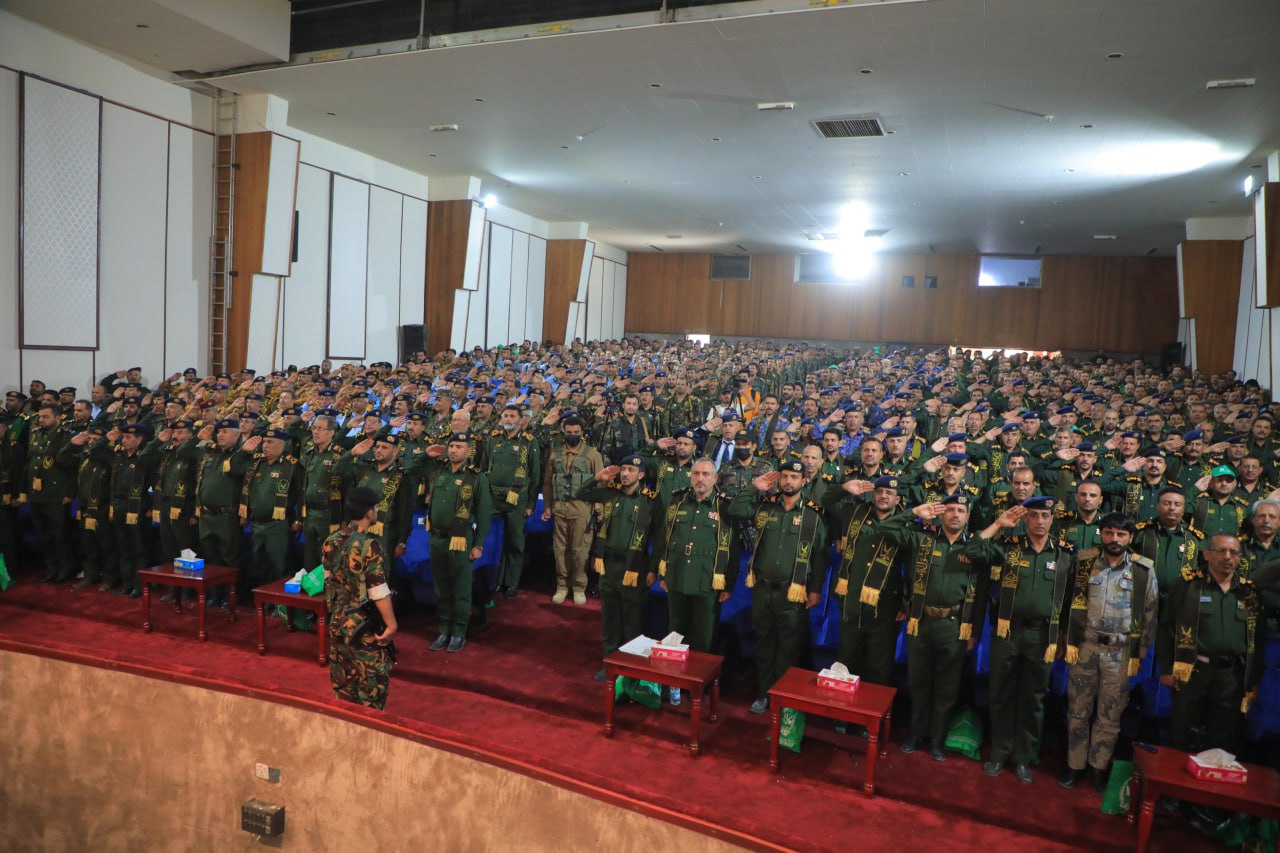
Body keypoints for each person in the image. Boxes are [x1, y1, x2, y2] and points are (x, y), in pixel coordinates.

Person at [880, 493, 989, 762]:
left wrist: (974, 632)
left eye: (960, 511)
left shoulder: (974, 547)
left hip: (954, 627)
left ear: (968, 516)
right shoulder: (923, 538)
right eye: (950, 509)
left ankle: (938, 740)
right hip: (921, 621)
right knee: (918, 683)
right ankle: (916, 734)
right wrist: (914, 513)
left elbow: (981, 594)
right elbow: (884, 528)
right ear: (941, 514)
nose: (955, 515)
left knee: (946, 688)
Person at [1059, 513, 1158, 791]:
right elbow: (1067, 604)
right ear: (1100, 534)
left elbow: (1150, 614)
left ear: (1130, 537)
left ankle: (1098, 767)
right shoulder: (1084, 563)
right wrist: (1065, 641)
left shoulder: (1143, 569)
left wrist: (1140, 653)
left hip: (1119, 653)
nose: (1114, 539)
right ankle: (1074, 764)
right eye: (1109, 532)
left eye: (1121, 534)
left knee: (1110, 714)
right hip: (1085, 648)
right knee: (1078, 710)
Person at [729, 462, 827, 714]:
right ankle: (764, 693)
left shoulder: (813, 515)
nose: (788, 481)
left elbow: (819, 556)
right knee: (764, 644)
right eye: (784, 476)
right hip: (762, 588)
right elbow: (735, 509)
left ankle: (782, 698)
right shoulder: (766, 506)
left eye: (794, 477)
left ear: (804, 481)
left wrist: (815, 590)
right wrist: (753, 487)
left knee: (788, 649)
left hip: (792, 591)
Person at [1159, 532, 1267, 753]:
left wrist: (1254, 681)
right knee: (1183, 732)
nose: (1227, 557)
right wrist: (1166, 668)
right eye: (1221, 550)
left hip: (1231, 677)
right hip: (1192, 671)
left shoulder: (1249, 592)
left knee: (1223, 738)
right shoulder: (1188, 586)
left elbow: (1258, 639)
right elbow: (1166, 628)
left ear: (1240, 558)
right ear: (1207, 554)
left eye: (1233, 552)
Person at [655, 458, 738, 702]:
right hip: (678, 575)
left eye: (706, 474)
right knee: (676, 631)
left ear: (715, 478)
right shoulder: (677, 500)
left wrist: (729, 583)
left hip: (708, 580)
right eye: (696, 473)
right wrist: (663, 573)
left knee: (703, 637)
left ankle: (697, 685)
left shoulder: (726, 506)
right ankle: (675, 682)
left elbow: (732, 550)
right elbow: (666, 538)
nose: (700, 478)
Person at [577, 455, 661, 678]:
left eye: (630, 470)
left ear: (640, 475)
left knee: (632, 621)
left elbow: (660, 538)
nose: (625, 474)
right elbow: (580, 494)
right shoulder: (610, 493)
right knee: (610, 619)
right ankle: (611, 665)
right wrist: (597, 478)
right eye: (623, 469)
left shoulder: (651, 501)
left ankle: (630, 668)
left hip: (633, 568)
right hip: (608, 565)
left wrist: (653, 569)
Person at [823, 474, 904, 691]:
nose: (883, 496)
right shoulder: (856, 512)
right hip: (852, 600)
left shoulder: (905, 524)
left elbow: (914, 567)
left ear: (898, 499)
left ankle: (873, 711)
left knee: (879, 667)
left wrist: (907, 602)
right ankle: (844, 709)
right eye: (880, 491)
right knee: (847, 661)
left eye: (889, 493)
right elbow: (826, 501)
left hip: (884, 605)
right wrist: (844, 488)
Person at [324, 485, 398, 710]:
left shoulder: (332, 540)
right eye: (375, 508)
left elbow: (329, 582)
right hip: (362, 628)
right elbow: (378, 591)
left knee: (344, 690)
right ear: (369, 513)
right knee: (371, 691)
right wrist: (391, 625)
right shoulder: (370, 546)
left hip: (338, 624)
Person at [425, 433, 490, 653]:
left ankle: (458, 632)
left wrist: (478, 544)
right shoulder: (439, 471)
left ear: (468, 451)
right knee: (441, 587)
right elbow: (413, 470)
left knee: (460, 588)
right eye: (451, 446)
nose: (453, 450)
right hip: (437, 538)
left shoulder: (476, 477)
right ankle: (444, 629)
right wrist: (425, 455)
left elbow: (484, 514)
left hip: (460, 541)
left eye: (459, 446)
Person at [542, 416, 604, 605]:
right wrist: (547, 506)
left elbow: (601, 483)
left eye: (576, 432)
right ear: (564, 432)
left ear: (582, 433)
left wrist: (599, 508)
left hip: (583, 510)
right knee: (560, 550)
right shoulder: (555, 454)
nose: (572, 435)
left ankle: (578, 587)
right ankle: (562, 586)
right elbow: (548, 483)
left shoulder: (593, 455)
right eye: (569, 432)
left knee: (580, 551)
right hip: (560, 509)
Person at [484, 404, 541, 599]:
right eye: (505, 415)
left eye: (512, 416)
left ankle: (511, 583)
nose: (507, 419)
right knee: (492, 540)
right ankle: (494, 581)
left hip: (517, 499)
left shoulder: (529, 442)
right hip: (492, 498)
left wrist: (531, 504)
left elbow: (535, 475)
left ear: (520, 420)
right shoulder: (493, 439)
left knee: (515, 542)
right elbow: (484, 468)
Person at [239, 429, 302, 589]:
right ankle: (264, 598)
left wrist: (299, 519)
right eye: (264, 442)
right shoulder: (256, 463)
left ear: (282, 445)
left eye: (270, 442)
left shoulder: (292, 465)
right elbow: (234, 468)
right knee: (261, 565)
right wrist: (243, 451)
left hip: (278, 525)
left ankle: (281, 601)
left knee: (280, 566)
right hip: (256, 523)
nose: (265, 446)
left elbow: (301, 494)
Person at [20, 402, 74, 583]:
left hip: (56, 492)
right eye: (40, 417)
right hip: (36, 492)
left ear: (57, 418)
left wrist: (69, 493)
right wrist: (24, 489)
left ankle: (65, 569)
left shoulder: (66, 436)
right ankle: (51, 569)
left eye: (45, 417)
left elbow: (71, 468)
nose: (41, 420)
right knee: (43, 534)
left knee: (59, 535)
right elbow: (29, 462)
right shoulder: (35, 434)